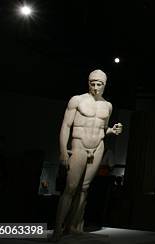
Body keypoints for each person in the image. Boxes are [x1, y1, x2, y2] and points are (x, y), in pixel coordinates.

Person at [51, 70, 123, 241]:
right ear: (88, 83)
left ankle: (74, 225)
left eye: (99, 84)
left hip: (98, 146)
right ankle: (58, 228)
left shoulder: (108, 106)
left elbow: (102, 128)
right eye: (93, 83)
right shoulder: (77, 100)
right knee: (71, 187)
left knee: (84, 188)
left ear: (105, 85)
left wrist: (112, 130)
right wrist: (63, 151)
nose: (96, 87)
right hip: (78, 144)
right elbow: (66, 126)